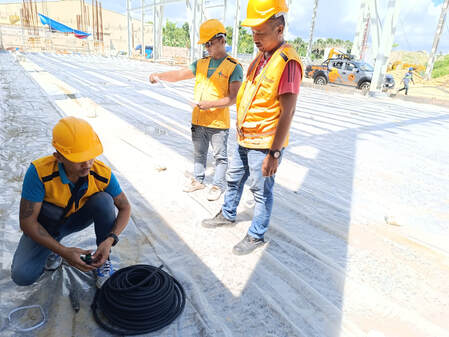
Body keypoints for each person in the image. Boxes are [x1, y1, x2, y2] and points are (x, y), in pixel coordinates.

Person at [202, 0, 303, 255]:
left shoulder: (287, 62)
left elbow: (288, 111)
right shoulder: (261, 57)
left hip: (265, 144)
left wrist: (274, 153)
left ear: (279, 29)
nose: (255, 38)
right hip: (244, 138)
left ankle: (257, 234)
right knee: (233, 179)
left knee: (260, 191)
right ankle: (227, 214)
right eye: (253, 31)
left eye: (260, 32)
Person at [11, 117, 131, 288]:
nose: (87, 164)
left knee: (104, 200)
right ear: (58, 156)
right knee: (22, 276)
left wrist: (110, 239)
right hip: (45, 225)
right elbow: (27, 222)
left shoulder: (101, 173)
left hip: (74, 220)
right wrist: (64, 252)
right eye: (78, 159)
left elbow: (125, 207)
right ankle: (52, 250)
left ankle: (103, 260)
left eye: (90, 156)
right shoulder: (39, 173)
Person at [149, 19, 243, 201]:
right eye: (205, 44)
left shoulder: (234, 67)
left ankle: (217, 185)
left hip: (218, 123)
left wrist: (210, 104)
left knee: (220, 157)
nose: (207, 47)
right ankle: (198, 180)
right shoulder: (201, 63)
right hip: (199, 120)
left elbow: (234, 98)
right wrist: (159, 75)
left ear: (222, 40)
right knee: (199, 153)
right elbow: (178, 74)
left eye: (210, 43)